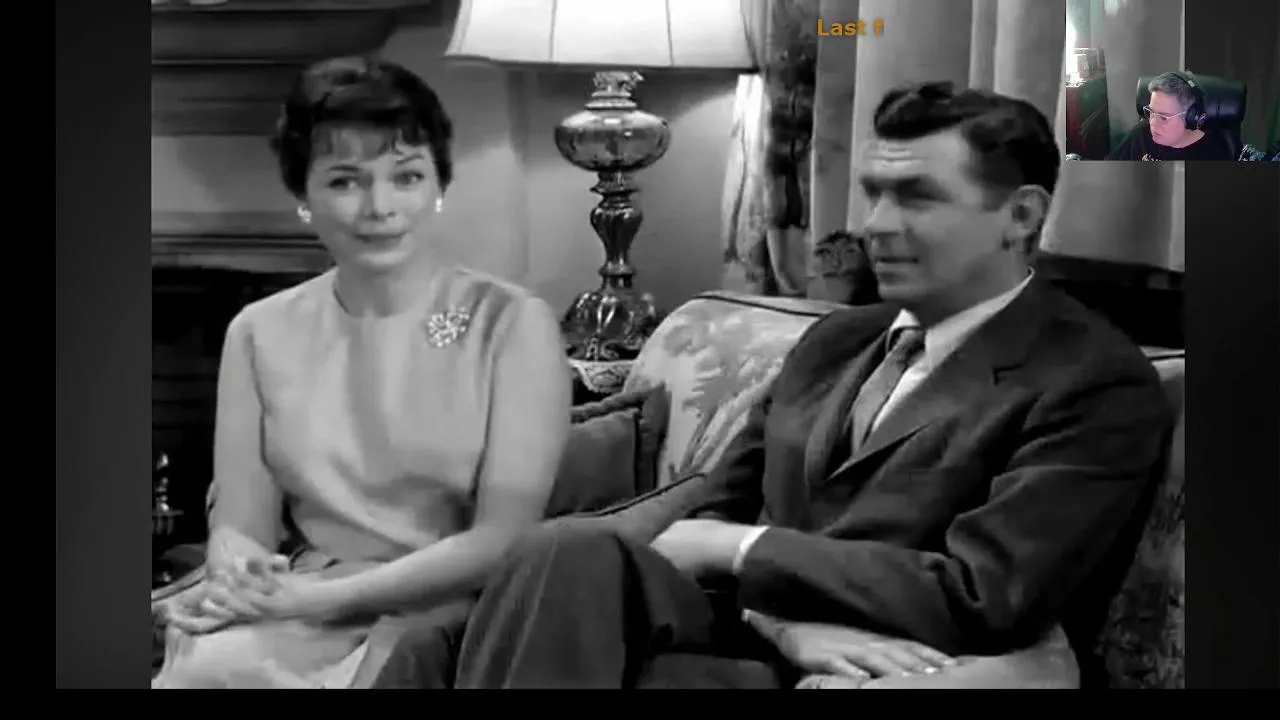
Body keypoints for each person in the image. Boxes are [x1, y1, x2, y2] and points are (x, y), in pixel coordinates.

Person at [386, 82, 1174, 690]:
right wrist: (779, 621)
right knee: (448, 630)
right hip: (762, 630)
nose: (876, 224)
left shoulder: (1088, 380)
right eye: (872, 191)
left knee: (536, 614)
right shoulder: (839, 340)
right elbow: (715, 504)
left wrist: (743, 548)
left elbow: (987, 593)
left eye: (917, 197)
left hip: (886, 658)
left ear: (1021, 215)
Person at [150, 56, 572, 689]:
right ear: (303, 197)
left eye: (407, 177)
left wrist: (318, 601)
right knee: (210, 665)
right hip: (309, 596)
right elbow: (242, 523)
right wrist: (238, 578)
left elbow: (502, 539)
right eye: (345, 181)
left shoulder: (512, 323)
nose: (380, 207)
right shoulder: (258, 331)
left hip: (455, 603)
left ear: (439, 185)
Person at [1107, 72, 1236, 161]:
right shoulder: (1141, 133)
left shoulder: (1215, 154)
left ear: (1191, 118)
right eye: (1151, 112)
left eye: (1163, 117)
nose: (1152, 123)